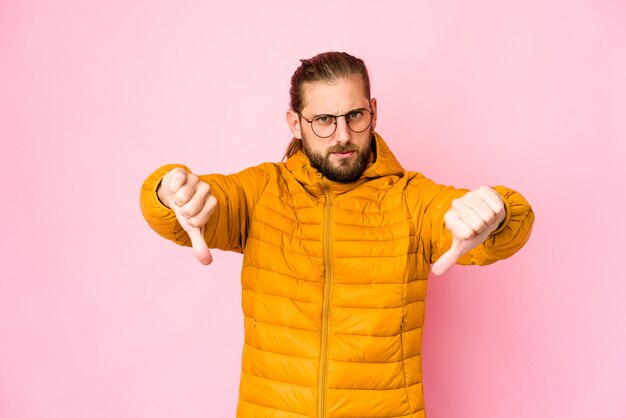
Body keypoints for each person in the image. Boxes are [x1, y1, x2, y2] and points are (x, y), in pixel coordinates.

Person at [140, 51, 534, 418]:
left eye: (355, 115)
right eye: (324, 120)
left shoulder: (410, 199)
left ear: (374, 112)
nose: (343, 135)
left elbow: (486, 224)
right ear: (296, 122)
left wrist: (497, 213)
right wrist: (169, 193)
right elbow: (191, 205)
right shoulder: (260, 192)